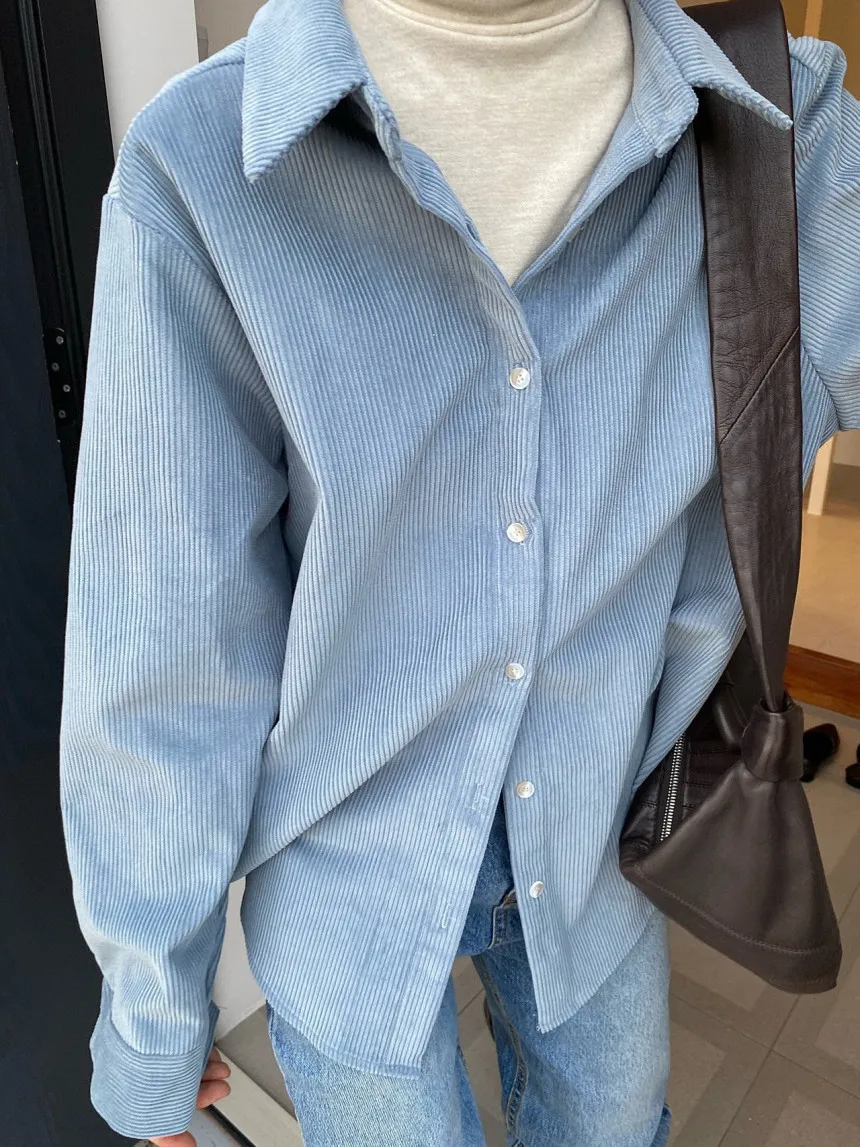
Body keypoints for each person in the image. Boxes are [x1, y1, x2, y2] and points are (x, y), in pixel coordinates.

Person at [57, 0, 860, 1143]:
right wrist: (153, 1002)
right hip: (344, 873)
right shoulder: (203, 167)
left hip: (600, 836)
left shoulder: (783, 134)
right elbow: (169, 639)